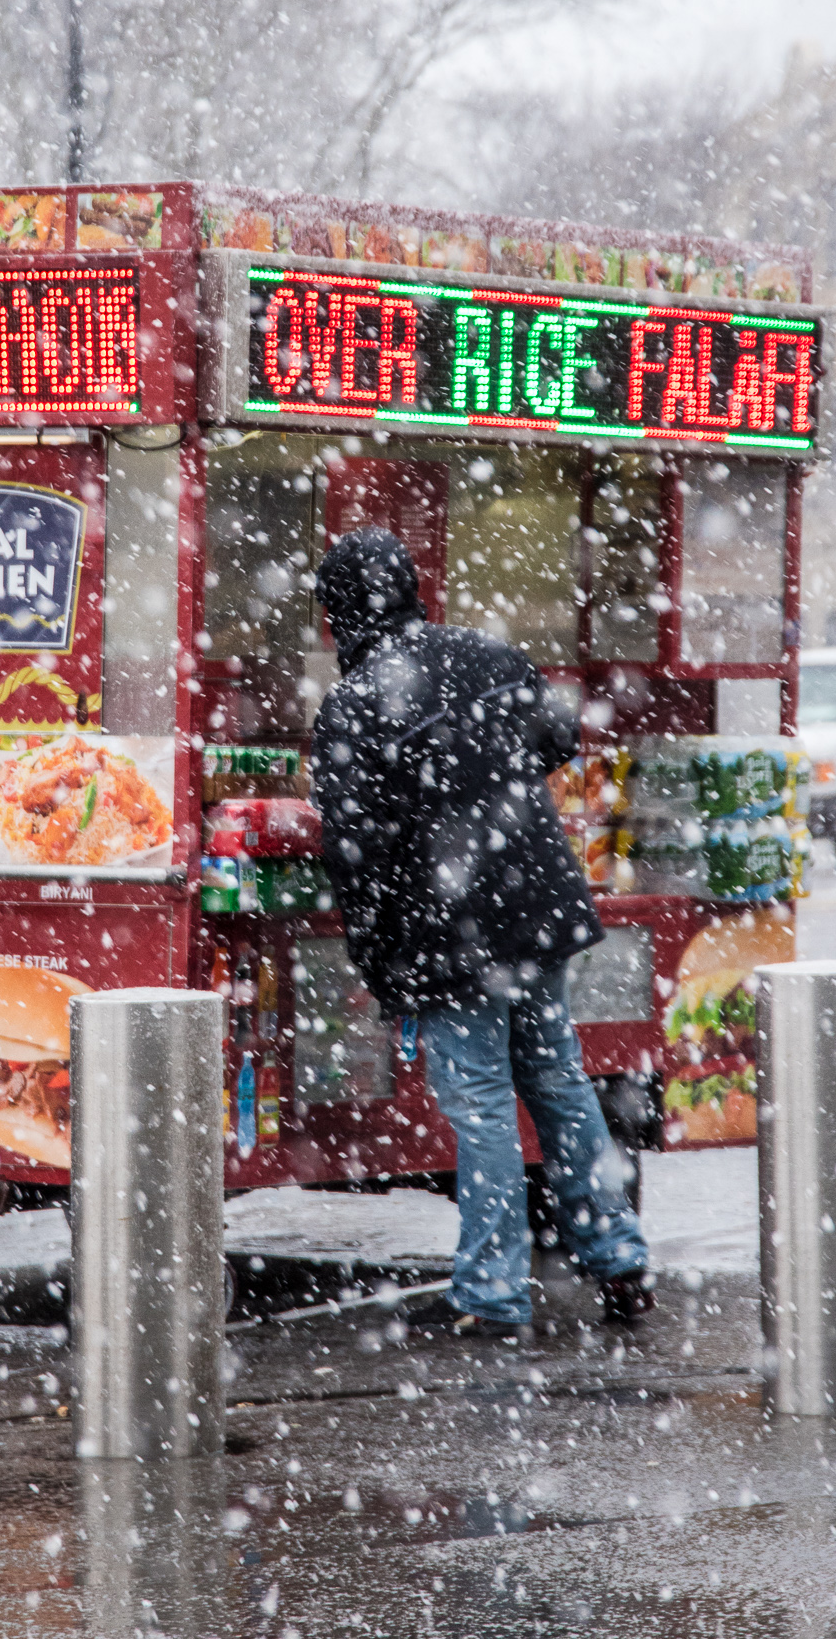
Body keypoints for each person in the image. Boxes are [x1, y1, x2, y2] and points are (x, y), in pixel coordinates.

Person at [309, 527, 653, 1339]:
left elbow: (356, 853)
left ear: (338, 616)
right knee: (559, 1081)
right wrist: (490, 782)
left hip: (451, 932)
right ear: (411, 590)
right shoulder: (488, 655)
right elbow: (560, 738)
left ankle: (493, 1293)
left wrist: (377, 957)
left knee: (484, 1104)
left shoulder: (354, 706)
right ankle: (618, 1259)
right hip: (535, 904)